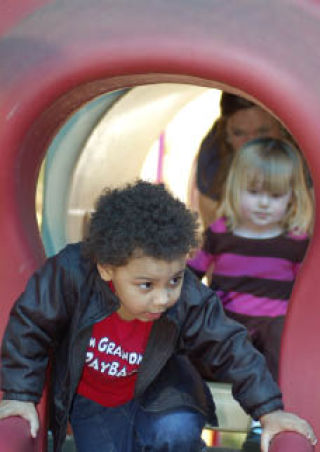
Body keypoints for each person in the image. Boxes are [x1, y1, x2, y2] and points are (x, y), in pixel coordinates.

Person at [0, 180, 316, 452]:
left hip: (162, 389)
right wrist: (19, 395)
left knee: (174, 431)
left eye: (174, 280)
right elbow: (30, 325)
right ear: (107, 268)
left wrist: (268, 410)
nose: (163, 298)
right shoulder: (69, 274)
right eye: (146, 285)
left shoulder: (186, 297)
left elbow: (228, 344)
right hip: (94, 399)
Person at [188, 138, 314, 451]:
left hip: (273, 326)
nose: (262, 203)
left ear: (292, 197)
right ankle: (184, 409)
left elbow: (309, 293)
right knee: (200, 333)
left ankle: (263, 422)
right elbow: (191, 276)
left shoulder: (296, 242)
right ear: (234, 189)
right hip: (230, 325)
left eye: (274, 195)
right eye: (253, 192)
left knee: (281, 337)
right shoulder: (221, 232)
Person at [195, 92, 295, 229]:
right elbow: (212, 232)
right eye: (239, 133)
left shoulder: (305, 145)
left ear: (283, 128)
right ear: (226, 134)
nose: (252, 143)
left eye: (263, 131)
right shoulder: (213, 154)